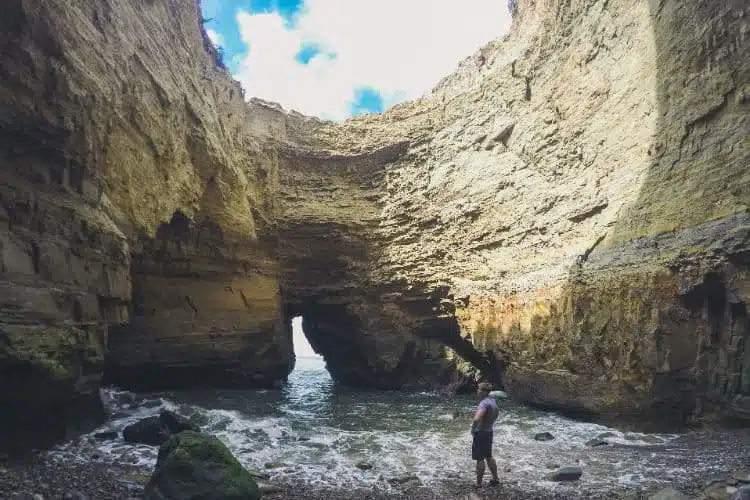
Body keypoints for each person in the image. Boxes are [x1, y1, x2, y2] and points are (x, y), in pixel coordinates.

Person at [470, 382, 500, 488]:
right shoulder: (493, 401)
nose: (477, 391)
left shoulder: (483, 403)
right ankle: (496, 479)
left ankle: (478, 484)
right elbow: (497, 413)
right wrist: (490, 422)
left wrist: (473, 429)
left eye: (479, 389)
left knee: (480, 458)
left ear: (484, 391)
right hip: (489, 431)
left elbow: (477, 419)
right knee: (488, 456)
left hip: (481, 432)